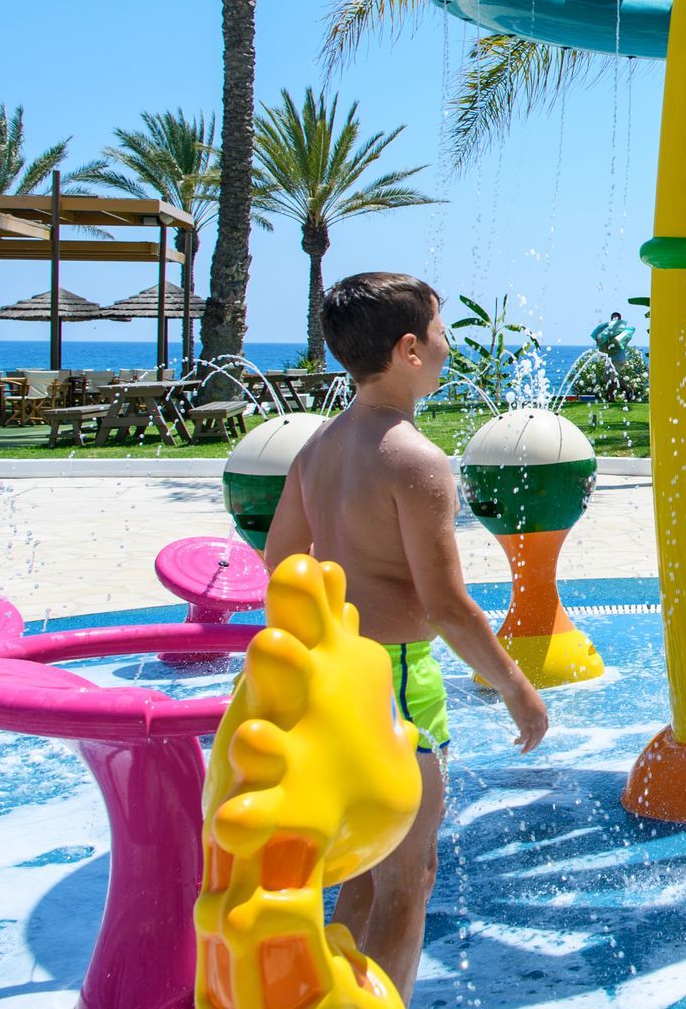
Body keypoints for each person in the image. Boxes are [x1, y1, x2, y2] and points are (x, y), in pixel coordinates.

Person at [265, 272, 550, 998]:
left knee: (360, 865)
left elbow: (278, 566)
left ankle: (332, 995)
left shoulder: (318, 449)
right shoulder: (414, 460)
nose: (450, 345)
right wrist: (516, 688)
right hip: (393, 679)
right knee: (407, 878)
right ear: (408, 350)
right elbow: (447, 605)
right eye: (440, 331)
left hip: (330, 675)